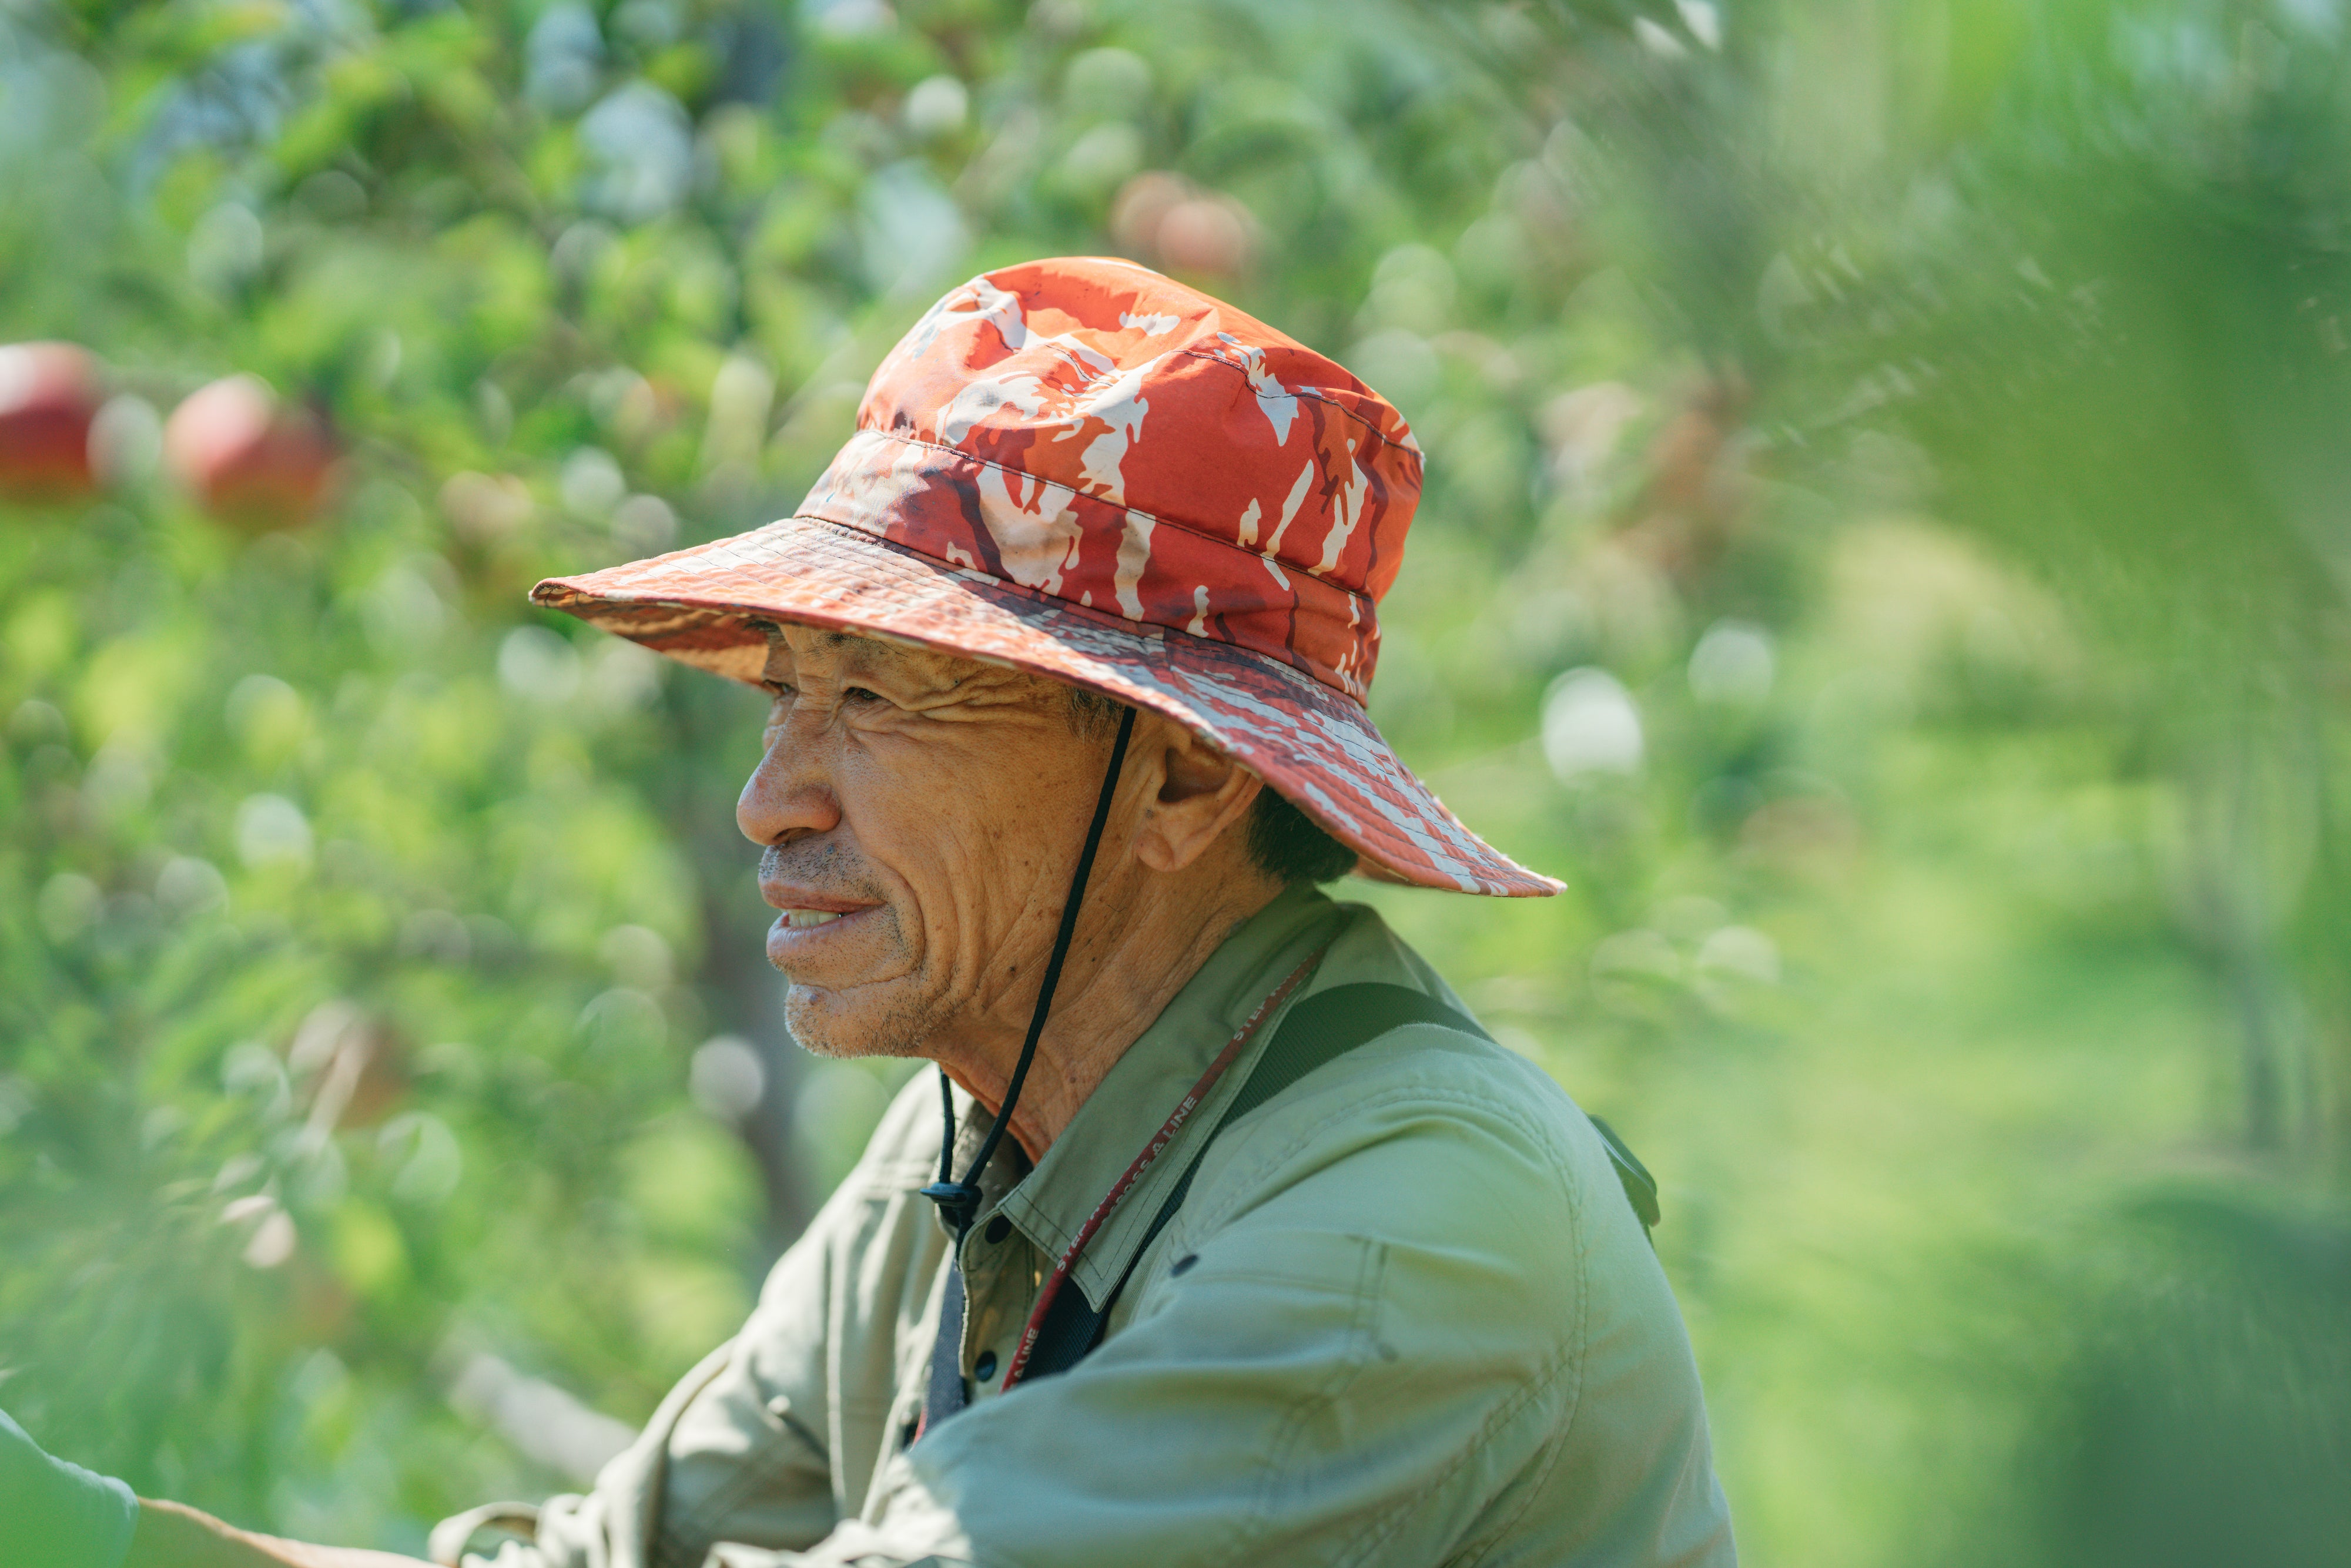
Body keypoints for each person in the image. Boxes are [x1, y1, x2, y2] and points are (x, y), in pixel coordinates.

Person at [19, 257, 1734, 1567]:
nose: (776, 796)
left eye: (887, 699)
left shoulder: (1415, 1216)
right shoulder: (987, 1131)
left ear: (1190, 783)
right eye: (788, 690)